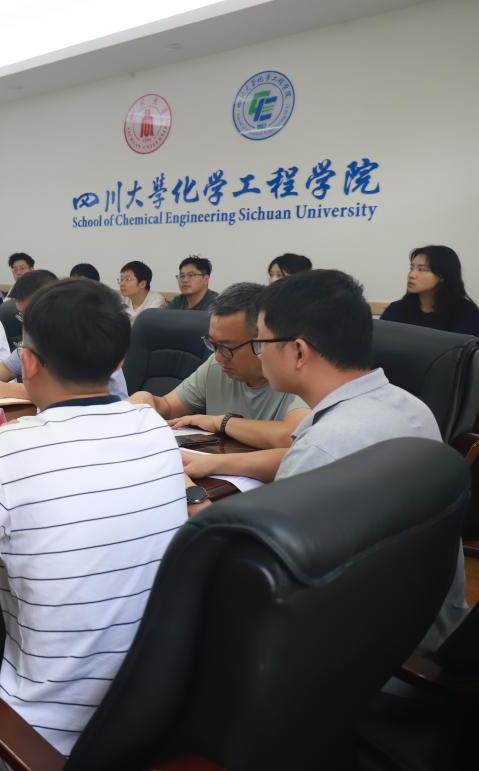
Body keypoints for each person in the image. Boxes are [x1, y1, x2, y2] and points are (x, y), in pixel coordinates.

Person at [0, 278, 188, 769]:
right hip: (147, 720)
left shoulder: (10, 450)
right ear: (120, 362)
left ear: (31, 362)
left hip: (42, 743)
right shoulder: (155, 429)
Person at [255, 269, 466, 653]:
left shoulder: (324, 447)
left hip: (370, 660)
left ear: (299, 352)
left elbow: (268, 579)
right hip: (427, 629)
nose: (259, 354)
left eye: (261, 342)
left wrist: (192, 496)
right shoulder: (411, 406)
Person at [129, 283, 309, 468]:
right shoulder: (217, 366)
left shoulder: (300, 373)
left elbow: (291, 437)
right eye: (212, 344)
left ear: (261, 342)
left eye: (227, 347)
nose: (218, 357)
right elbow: (168, 406)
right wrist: (146, 400)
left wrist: (222, 422)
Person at [0, 271, 128, 402]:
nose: (27, 323)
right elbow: (6, 368)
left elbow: (80, 394)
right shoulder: (34, 341)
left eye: (31, 314)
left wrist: (9, 389)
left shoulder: (83, 339)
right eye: (22, 315)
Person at [380, 245, 479, 336]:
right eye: (411, 268)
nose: (411, 275)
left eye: (422, 269)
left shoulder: (467, 313)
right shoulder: (397, 309)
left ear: (442, 275)